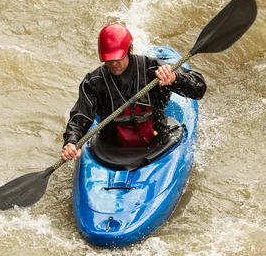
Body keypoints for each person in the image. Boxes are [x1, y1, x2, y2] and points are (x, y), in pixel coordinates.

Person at [61, 23, 206, 160]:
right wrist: (71, 141)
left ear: (130, 50)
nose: (113, 64)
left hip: (157, 143)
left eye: (118, 58)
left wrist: (174, 78)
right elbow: (81, 116)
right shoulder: (94, 82)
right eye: (108, 59)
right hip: (112, 149)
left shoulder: (153, 69)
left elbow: (199, 89)